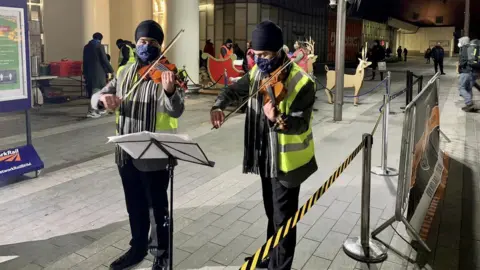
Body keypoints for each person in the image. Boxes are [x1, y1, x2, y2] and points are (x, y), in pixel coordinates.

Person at [210, 20, 317, 270]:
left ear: (279, 51)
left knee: (285, 222)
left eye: (265, 54)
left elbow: (301, 123)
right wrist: (218, 105)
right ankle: (272, 256)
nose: (260, 60)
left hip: (287, 165)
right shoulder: (257, 74)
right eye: (255, 55)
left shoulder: (302, 83)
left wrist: (276, 118)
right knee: (273, 216)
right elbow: (233, 90)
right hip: (266, 160)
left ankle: (281, 266)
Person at [91, 20, 184, 270]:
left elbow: (176, 111)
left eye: (153, 43)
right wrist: (102, 99)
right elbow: (97, 96)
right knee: (135, 205)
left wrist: (170, 91)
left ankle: (161, 254)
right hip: (126, 152)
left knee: (157, 209)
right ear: (136, 44)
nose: (147, 46)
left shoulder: (167, 74)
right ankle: (138, 247)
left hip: (155, 154)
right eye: (143, 42)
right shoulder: (124, 72)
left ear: (160, 46)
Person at [83, 32, 114, 118]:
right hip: (98, 72)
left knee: (97, 91)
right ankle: (91, 110)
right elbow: (104, 60)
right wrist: (112, 71)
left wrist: (85, 73)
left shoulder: (86, 47)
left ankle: (98, 109)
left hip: (89, 72)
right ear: (100, 39)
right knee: (96, 91)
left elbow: (84, 61)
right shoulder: (99, 46)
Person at [458, 36, 478, 112]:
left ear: (463, 41)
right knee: (468, 88)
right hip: (472, 71)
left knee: (461, 88)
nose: (459, 43)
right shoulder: (471, 48)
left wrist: (460, 66)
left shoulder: (464, 48)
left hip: (466, 71)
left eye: (460, 41)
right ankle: (469, 106)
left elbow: (464, 60)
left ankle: (469, 103)